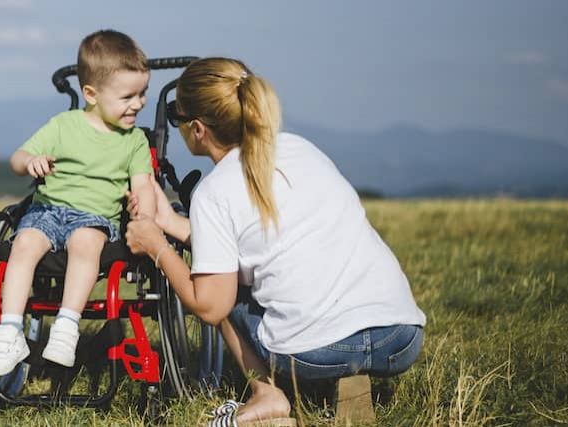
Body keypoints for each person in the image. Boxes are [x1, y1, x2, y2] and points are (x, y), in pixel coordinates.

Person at [125, 57, 426, 426]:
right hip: (400, 337)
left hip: (316, 352)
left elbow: (210, 306)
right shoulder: (300, 148)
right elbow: (267, 240)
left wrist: (156, 246)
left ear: (198, 130)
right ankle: (351, 378)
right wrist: (170, 223)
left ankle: (267, 394)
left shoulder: (214, 192)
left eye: (178, 118)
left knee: (222, 290)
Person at [0, 29, 156, 376]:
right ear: (90, 94)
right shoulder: (63, 125)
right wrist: (29, 162)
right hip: (47, 210)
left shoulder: (133, 141)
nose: (137, 104)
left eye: (143, 94)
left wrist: (144, 213)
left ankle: (66, 326)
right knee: (24, 244)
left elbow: (143, 184)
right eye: (127, 97)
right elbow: (18, 157)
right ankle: (10, 332)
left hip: (94, 218)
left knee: (85, 242)